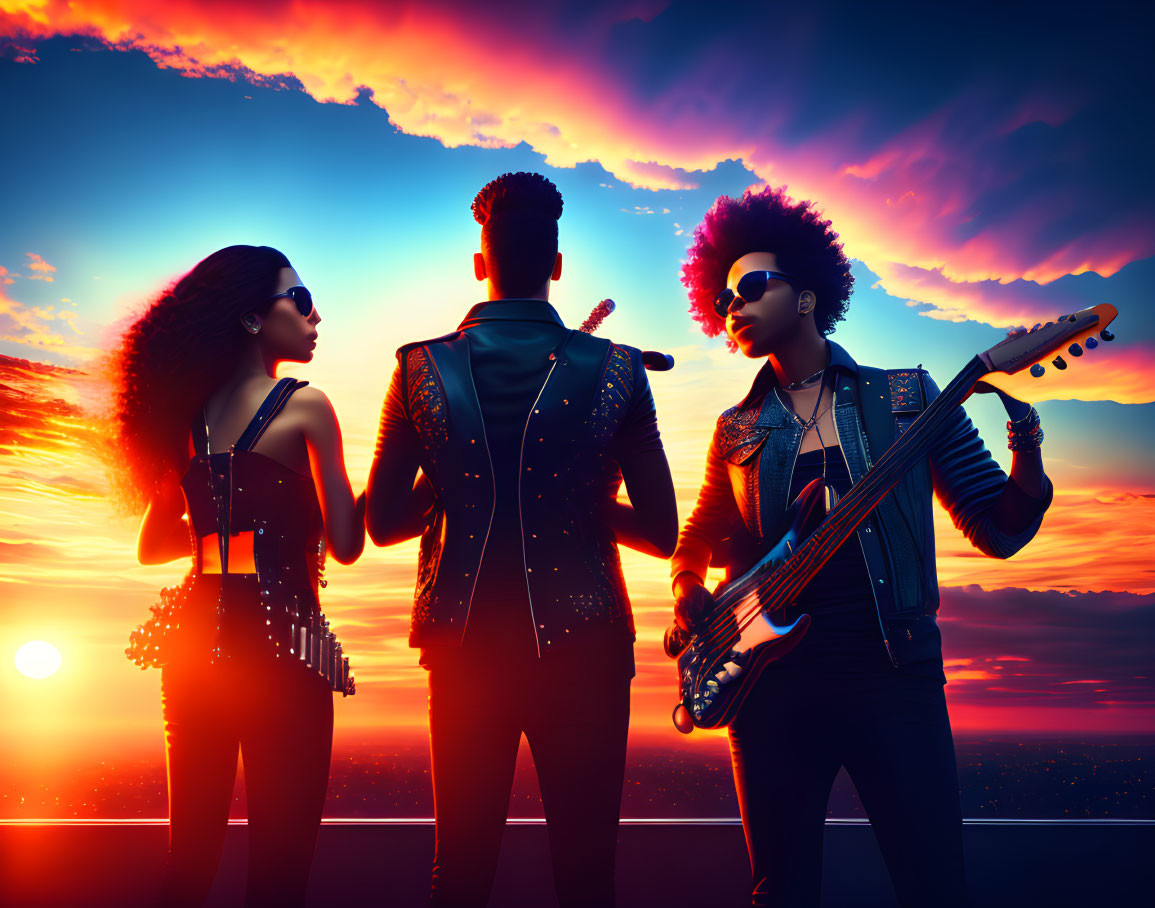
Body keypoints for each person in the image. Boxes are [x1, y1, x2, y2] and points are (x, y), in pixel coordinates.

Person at [672, 186, 1052, 907]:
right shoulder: (735, 428)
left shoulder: (906, 397)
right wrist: (687, 582)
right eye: (723, 297)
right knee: (779, 891)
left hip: (893, 678)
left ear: (808, 296)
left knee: (933, 883)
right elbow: (700, 534)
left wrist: (1025, 446)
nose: (733, 306)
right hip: (768, 687)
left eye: (752, 286)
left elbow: (997, 528)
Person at [366, 171, 678, 906]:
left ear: (480, 264)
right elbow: (661, 533)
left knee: (460, 871)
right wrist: (581, 494)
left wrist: (460, 473)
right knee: (586, 874)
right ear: (558, 266)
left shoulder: (418, 367)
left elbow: (381, 523)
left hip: (464, 649)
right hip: (589, 647)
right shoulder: (618, 369)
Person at [114, 245, 364, 906]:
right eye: (301, 300)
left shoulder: (186, 424)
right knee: (280, 873)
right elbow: (346, 543)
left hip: (193, 647)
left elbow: (152, 546)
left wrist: (223, 530)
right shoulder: (306, 408)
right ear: (253, 319)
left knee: (188, 863)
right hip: (282, 650)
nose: (316, 316)